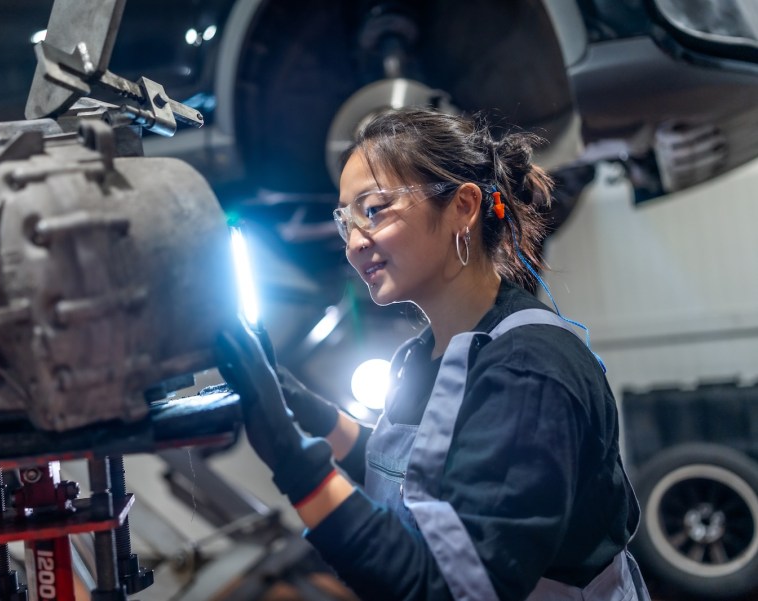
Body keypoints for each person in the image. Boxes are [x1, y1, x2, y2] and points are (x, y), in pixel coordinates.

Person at [215, 107, 651, 601]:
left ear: (463, 208)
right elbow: (404, 481)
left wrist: (294, 461)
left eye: (374, 210)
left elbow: (451, 591)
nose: (354, 243)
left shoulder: (530, 371)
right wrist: (295, 402)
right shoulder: (422, 355)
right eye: (346, 220)